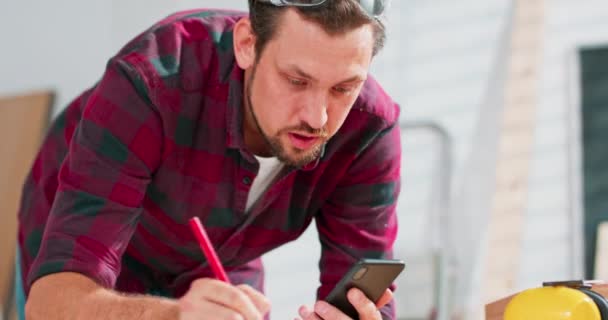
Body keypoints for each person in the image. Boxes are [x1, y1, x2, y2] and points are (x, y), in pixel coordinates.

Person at [18, 0, 402, 319]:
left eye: (343, 88)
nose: (317, 117)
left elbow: (363, 291)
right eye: (296, 81)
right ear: (247, 44)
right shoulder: (152, 82)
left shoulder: (369, 129)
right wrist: (172, 315)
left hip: (223, 253)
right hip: (85, 243)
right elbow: (51, 302)